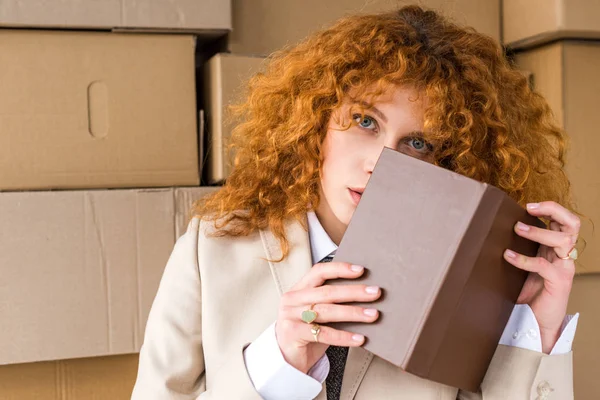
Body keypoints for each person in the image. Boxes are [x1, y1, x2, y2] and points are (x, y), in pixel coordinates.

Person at [131, 5, 581, 400]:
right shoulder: (210, 250)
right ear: (316, 122)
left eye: (419, 143)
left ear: (451, 164)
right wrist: (278, 361)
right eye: (365, 121)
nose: (382, 163)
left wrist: (535, 332)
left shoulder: (466, 286)